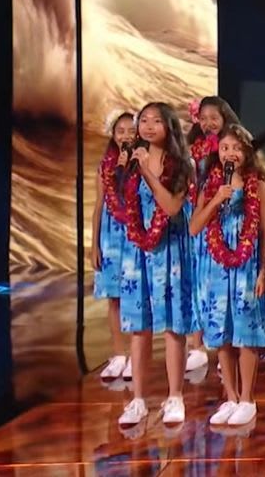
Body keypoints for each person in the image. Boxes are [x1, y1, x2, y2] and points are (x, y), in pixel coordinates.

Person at [189, 124, 265, 427]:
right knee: (222, 334)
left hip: (246, 267)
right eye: (225, 148)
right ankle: (231, 396)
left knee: (244, 333)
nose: (230, 153)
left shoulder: (259, 185)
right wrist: (215, 200)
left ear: (247, 152)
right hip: (216, 267)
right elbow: (194, 227)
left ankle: (248, 399)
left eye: (236, 148)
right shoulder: (210, 186)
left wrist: (264, 271)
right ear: (218, 152)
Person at [117, 102, 197, 426]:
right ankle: (137, 399)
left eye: (156, 121)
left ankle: (175, 396)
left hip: (170, 251)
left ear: (169, 127)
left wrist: (147, 171)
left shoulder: (181, 165)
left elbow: (172, 207)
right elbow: (127, 206)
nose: (148, 127)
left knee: (172, 326)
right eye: (143, 121)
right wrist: (131, 169)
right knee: (140, 327)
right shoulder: (130, 161)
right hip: (138, 253)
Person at [184, 96, 242, 374]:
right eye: (203, 117)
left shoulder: (235, 148)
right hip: (200, 213)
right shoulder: (192, 149)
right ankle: (195, 345)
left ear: (224, 117)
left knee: (222, 288)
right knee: (196, 282)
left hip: (226, 222)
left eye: (213, 117)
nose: (208, 123)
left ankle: (226, 350)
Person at [91, 110, 137, 382]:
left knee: (133, 296)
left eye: (131, 131)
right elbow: (99, 206)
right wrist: (94, 244)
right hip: (111, 235)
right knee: (114, 297)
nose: (126, 136)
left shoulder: (143, 162)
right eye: (121, 131)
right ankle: (118, 354)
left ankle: (135, 356)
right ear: (113, 135)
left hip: (134, 233)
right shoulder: (105, 165)